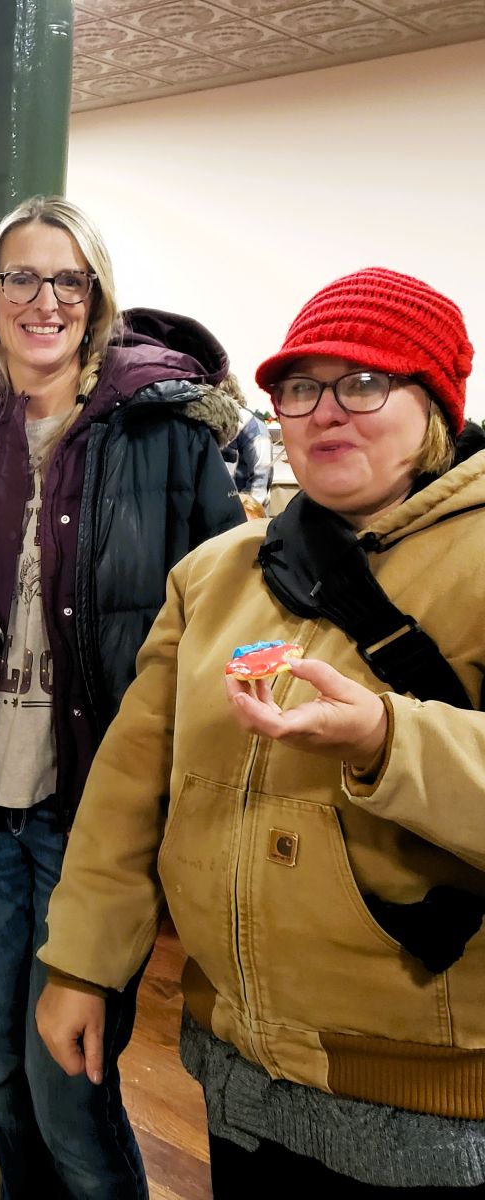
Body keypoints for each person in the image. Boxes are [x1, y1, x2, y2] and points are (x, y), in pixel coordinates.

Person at [37, 268, 484, 1197]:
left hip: (435, 1097)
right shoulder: (218, 573)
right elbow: (130, 786)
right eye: (300, 388)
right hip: (239, 1065)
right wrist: (82, 962)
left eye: (365, 382)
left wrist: (388, 741)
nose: (327, 412)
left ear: (437, 404)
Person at [0, 196, 244, 1199]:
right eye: (22, 279)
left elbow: (222, 611)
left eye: (68, 280)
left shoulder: (160, 430)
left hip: (95, 808)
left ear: (97, 296)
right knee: (4, 1070)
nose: (45, 301)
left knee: (69, 1089)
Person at [221, 374, 274, 510]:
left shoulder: (253, 428)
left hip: (245, 513)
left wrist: (244, 514)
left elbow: (259, 485)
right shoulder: (210, 425)